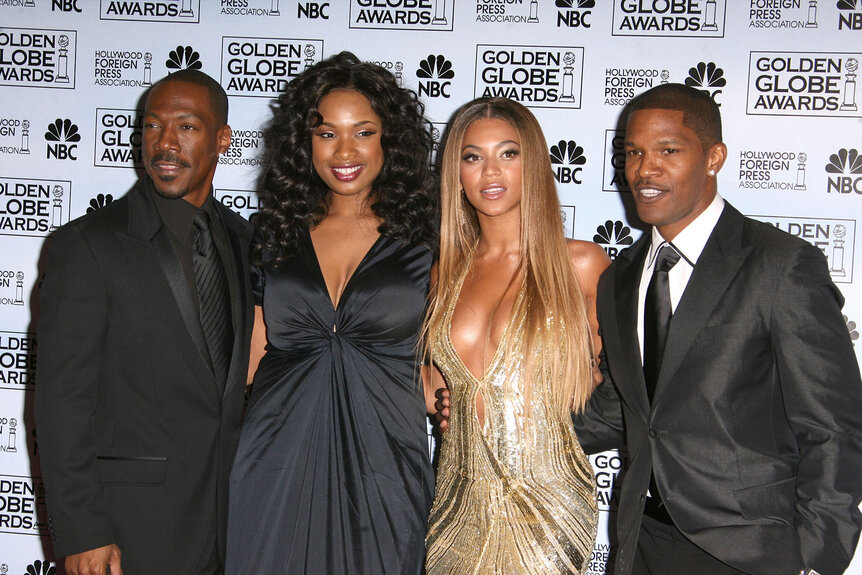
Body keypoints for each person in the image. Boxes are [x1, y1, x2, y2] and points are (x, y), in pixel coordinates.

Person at [570, 83, 862, 575]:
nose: (645, 170)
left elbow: (833, 426)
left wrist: (817, 558)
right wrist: (494, 422)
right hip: (640, 542)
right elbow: (622, 412)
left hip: (749, 552)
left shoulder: (779, 265)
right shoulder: (619, 278)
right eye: (633, 153)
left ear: (714, 157)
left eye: (669, 150)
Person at [226, 52, 438, 575]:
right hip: (275, 458)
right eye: (326, 134)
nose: (345, 151)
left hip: (387, 462)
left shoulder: (430, 238)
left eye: (363, 132)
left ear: (390, 139)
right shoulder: (274, 233)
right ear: (305, 144)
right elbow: (251, 364)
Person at [35, 69, 254, 575]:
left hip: (234, 530)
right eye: (152, 127)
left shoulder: (246, 242)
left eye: (187, 127)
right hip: (130, 533)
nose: (165, 144)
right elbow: (62, 401)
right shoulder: (88, 245)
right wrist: (83, 531)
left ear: (223, 139)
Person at [423, 97, 610, 574]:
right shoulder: (444, 272)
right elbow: (425, 372)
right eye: (472, 157)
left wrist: (558, 418)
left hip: (547, 501)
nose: (490, 172)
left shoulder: (581, 265)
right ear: (456, 172)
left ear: (535, 164)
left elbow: (626, 390)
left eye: (508, 153)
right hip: (456, 497)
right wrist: (437, 396)